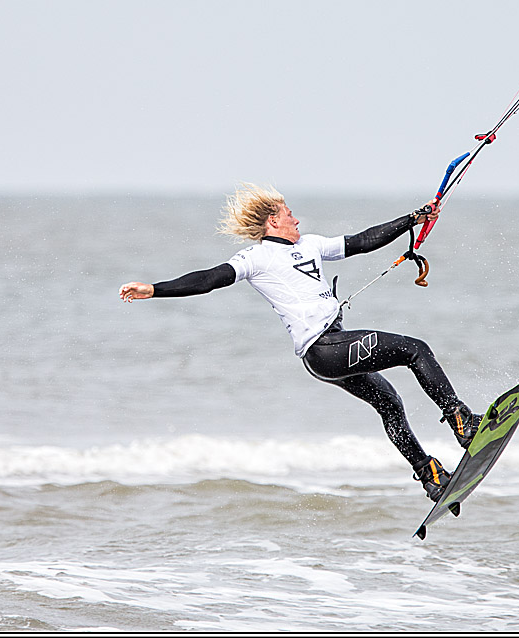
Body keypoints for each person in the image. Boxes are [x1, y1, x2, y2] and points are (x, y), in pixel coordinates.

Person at [119, 184, 481, 501]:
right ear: (273, 221)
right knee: (415, 349)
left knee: (389, 404)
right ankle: (461, 420)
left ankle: (431, 476)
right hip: (324, 348)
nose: (296, 220)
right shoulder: (256, 258)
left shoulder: (311, 245)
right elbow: (209, 279)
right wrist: (154, 289)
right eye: (289, 214)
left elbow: (361, 241)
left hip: (327, 353)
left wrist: (412, 219)